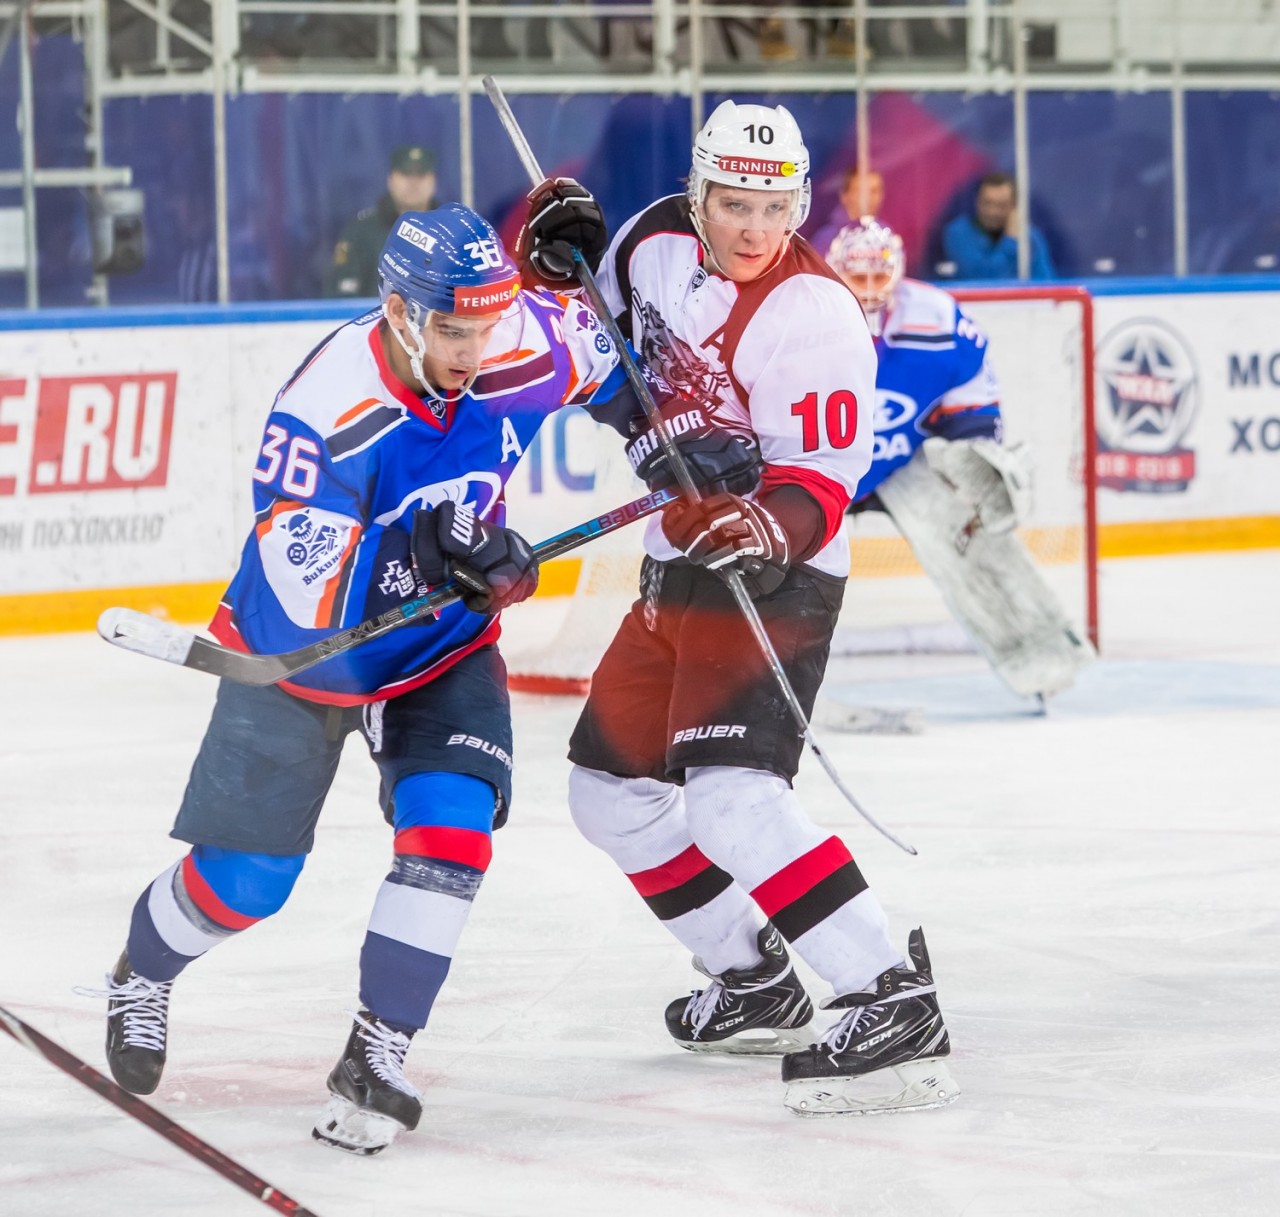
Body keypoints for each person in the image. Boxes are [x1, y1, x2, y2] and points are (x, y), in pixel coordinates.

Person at [85, 203, 628, 1156]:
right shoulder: (325, 407)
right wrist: (431, 549)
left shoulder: (516, 337)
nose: (472, 352)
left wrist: (672, 441)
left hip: (440, 648)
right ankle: (143, 972)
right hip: (303, 656)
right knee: (249, 881)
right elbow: (309, 590)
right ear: (400, 310)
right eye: (451, 330)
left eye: (484, 327)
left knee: (452, 827)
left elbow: (614, 362)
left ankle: (377, 1051)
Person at [517, 101, 959, 1117]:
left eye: (774, 206)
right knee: (607, 793)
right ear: (697, 192)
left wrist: (758, 523)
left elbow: (820, 486)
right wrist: (556, 272)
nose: (755, 227)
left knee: (731, 797)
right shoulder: (649, 242)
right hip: (674, 564)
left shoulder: (815, 315)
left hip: (774, 575)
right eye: (732, 203)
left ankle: (887, 992)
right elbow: (596, 357)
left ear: (798, 204)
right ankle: (752, 976)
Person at [826, 216, 1094, 699]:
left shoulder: (938, 318)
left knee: (973, 543)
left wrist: (972, 451)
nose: (867, 289)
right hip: (816, 461)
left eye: (878, 275)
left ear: (898, 272)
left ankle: (1039, 659)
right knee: (769, 557)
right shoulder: (802, 314)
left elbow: (973, 398)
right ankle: (743, 672)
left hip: (900, 462)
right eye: (856, 276)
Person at [324, 144, 438, 298]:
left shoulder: (453, 233)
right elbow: (341, 297)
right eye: (406, 174)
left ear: (433, 181)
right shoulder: (360, 232)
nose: (413, 183)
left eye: (421, 175)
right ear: (390, 179)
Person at [938, 171, 1056, 281]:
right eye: (987, 203)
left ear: (1014, 207)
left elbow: (1045, 282)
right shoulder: (958, 233)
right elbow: (980, 280)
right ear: (977, 202)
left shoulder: (1029, 236)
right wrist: (1010, 241)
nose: (992, 212)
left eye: (1001, 205)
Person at [809, 165, 885, 258]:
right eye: (861, 191)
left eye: (874, 191)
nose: (868, 197)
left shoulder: (884, 235)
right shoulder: (826, 239)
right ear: (844, 195)